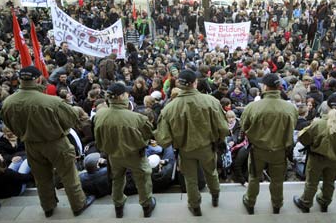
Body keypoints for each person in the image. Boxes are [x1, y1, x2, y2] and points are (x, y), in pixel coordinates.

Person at [0, 66, 95, 217]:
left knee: (41, 178)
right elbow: (70, 120)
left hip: (31, 145)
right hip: (56, 142)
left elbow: (10, 125)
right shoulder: (52, 101)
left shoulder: (8, 102)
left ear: (20, 80)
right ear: (38, 79)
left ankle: (48, 207)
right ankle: (78, 204)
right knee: (69, 175)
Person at [154, 69, 229, 216]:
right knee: (211, 173)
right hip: (207, 147)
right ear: (195, 83)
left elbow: (163, 139)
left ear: (178, 84)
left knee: (190, 179)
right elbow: (223, 128)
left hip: (185, 150)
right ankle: (215, 195)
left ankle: (195, 206)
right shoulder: (211, 101)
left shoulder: (169, 108)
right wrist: (219, 140)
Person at [94, 82, 156, 218]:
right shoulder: (137, 118)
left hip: (113, 155)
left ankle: (118, 205)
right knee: (142, 180)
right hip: (135, 155)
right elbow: (148, 134)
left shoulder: (100, 114)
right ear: (122, 96)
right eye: (126, 93)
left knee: (117, 179)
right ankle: (146, 205)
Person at [240, 73, 298, 215]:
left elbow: (243, 127)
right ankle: (277, 204)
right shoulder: (290, 108)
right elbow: (293, 126)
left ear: (265, 86)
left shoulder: (253, 107)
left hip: (258, 150)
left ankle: (250, 202)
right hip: (279, 151)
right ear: (278, 86)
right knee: (277, 180)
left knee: (254, 178)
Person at [293, 94, 336, 213]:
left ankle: (306, 202)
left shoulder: (318, 123)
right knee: (330, 182)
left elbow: (303, 137)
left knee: (311, 182)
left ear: (327, 106)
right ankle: (324, 202)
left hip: (317, 158)